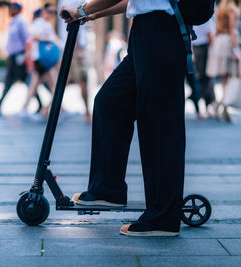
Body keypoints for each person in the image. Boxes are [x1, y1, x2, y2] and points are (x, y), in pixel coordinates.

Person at [61, 0, 187, 236]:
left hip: (161, 31)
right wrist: (93, 15)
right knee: (109, 103)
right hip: (144, 31)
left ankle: (163, 219)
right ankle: (108, 190)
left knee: (159, 126)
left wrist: (82, 9)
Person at [20, 3, 61, 117]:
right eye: (50, 11)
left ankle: (27, 108)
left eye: (54, 12)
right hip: (43, 59)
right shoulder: (40, 23)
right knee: (55, 86)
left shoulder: (46, 25)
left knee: (35, 84)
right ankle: (48, 109)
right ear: (44, 11)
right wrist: (47, 39)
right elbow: (32, 35)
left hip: (42, 59)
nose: (52, 14)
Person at [206, 0, 241, 122]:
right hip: (227, 43)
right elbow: (232, 29)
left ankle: (223, 107)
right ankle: (220, 104)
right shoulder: (232, 8)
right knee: (231, 76)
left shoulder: (221, 8)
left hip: (219, 42)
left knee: (225, 79)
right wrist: (235, 49)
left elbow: (216, 28)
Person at [0, 3, 30, 114]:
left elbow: (27, 39)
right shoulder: (12, 21)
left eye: (11, 8)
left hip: (19, 56)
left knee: (27, 80)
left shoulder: (21, 21)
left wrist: (25, 55)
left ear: (17, 9)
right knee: (16, 80)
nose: (9, 10)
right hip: (13, 56)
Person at [59, 0, 92, 122]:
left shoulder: (63, 1)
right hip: (76, 47)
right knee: (83, 80)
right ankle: (87, 113)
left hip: (67, 45)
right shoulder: (75, 1)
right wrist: (78, 49)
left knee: (64, 80)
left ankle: (49, 109)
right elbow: (75, 21)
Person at [191, 17, 216, 118]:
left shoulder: (194, 15)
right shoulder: (206, 16)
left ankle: (205, 107)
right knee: (208, 77)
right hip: (204, 48)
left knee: (201, 78)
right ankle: (208, 106)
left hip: (196, 48)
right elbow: (209, 34)